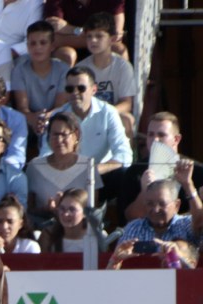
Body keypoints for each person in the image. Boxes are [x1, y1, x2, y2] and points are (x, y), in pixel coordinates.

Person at [37, 66, 131, 199]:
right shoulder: (57, 116)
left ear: (94, 89)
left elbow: (124, 154)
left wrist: (94, 170)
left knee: (124, 174)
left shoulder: (108, 112)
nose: (75, 92)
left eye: (81, 88)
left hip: (100, 175)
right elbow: (45, 154)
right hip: (65, 177)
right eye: (70, 89)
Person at [119, 112, 203, 223]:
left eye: (161, 135)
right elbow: (130, 218)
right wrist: (145, 191)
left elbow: (200, 220)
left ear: (176, 139)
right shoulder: (135, 171)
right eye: (150, 134)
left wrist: (188, 185)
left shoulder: (197, 171)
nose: (155, 140)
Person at [110, 179, 201, 269]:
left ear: (176, 205)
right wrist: (117, 259)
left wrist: (176, 255)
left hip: (180, 278)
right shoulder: (134, 227)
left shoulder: (187, 224)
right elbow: (117, 266)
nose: (156, 210)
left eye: (162, 204)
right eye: (150, 204)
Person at [25, 112, 100, 220]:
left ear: (76, 135)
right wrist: (46, 210)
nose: (59, 140)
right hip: (44, 225)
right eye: (55, 134)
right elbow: (29, 210)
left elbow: (92, 209)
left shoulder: (88, 166)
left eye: (64, 134)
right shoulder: (34, 166)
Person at [76, 12, 134, 136]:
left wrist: (105, 113)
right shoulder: (80, 68)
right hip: (87, 115)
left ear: (112, 39)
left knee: (127, 120)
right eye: (89, 36)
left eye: (99, 36)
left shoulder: (123, 67)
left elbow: (127, 104)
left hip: (113, 114)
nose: (93, 40)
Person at [11, 20, 68, 138]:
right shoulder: (19, 70)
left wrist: (46, 118)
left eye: (43, 43)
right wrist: (33, 119)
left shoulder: (63, 70)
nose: (37, 48)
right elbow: (22, 108)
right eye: (33, 43)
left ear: (52, 46)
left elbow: (60, 106)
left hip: (55, 118)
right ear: (27, 46)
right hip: (29, 120)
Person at [44, 0, 128, 65]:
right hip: (70, 48)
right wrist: (100, 38)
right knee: (66, 54)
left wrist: (71, 29)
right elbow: (55, 39)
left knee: (118, 49)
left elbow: (115, 36)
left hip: (101, 48)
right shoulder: (56, 2)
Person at [39, 187, 107, 253]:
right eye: (62, 208)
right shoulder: (48, 235)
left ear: (85, 213)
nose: (65, 214)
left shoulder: (97, 237)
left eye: (72, 209)